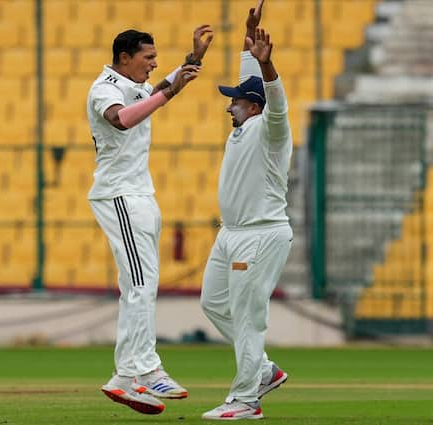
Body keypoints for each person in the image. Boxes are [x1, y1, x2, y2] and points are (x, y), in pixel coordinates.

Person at [88, 25, 213, 415]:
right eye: (147, 57)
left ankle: (124, 378)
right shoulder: (104, 88)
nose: (154, 63)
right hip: (120, 195)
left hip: (140, 194)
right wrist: (164, 93)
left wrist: (192, 61)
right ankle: (148, 369)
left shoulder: (136, 83)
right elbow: (121, 119)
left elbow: (159, 88)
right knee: (141, 284)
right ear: (125, 58)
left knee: (138, 286)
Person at [199, 1, 293, 420]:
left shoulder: (271, 129)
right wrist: (249, 31)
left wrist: (269, 68)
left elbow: (274, 100)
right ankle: (265, 370)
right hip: (231, 232)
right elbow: (249, 75)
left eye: (236, 101)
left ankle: (245, 400)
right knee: (214, 303)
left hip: (261, 233)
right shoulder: (243, 121)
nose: (229, 105)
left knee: (249, 317)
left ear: (253, 106)